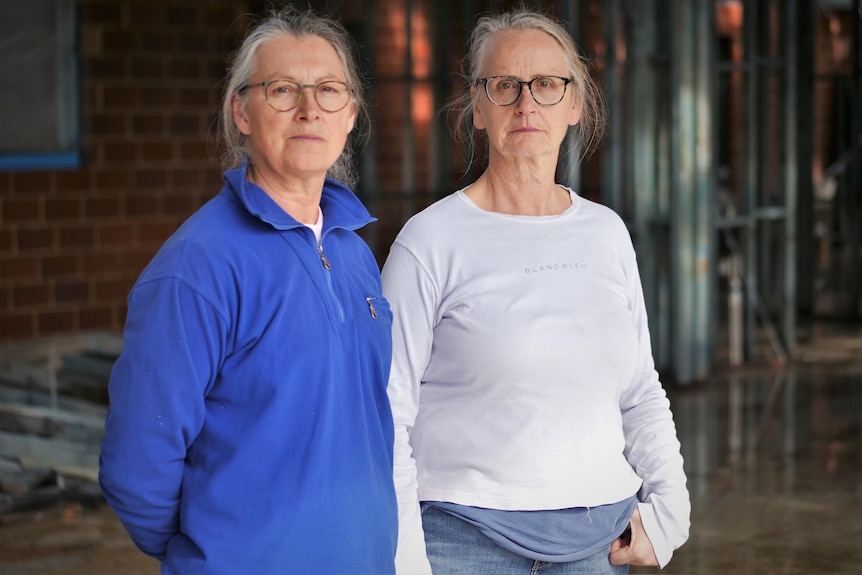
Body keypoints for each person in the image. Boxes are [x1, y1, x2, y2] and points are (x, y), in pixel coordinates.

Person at [382, 8, 690, 575]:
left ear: (575, 104)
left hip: (601, 545)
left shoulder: (606, 233)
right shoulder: (429, 241)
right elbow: (389, 414)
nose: (527, 104)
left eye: (547, 84)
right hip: (461, 543)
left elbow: (640, 390)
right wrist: (406, 558)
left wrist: (672, 510)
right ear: (478, 106)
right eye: (505, 86)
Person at [98, 6, 397, 574]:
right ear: (241, 111)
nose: (310, 109)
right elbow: (138, 465)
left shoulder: (355, 253)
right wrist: (220, 549)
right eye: (282, 90)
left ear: (351, 114)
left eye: (330, 90)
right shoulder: (196, 267)